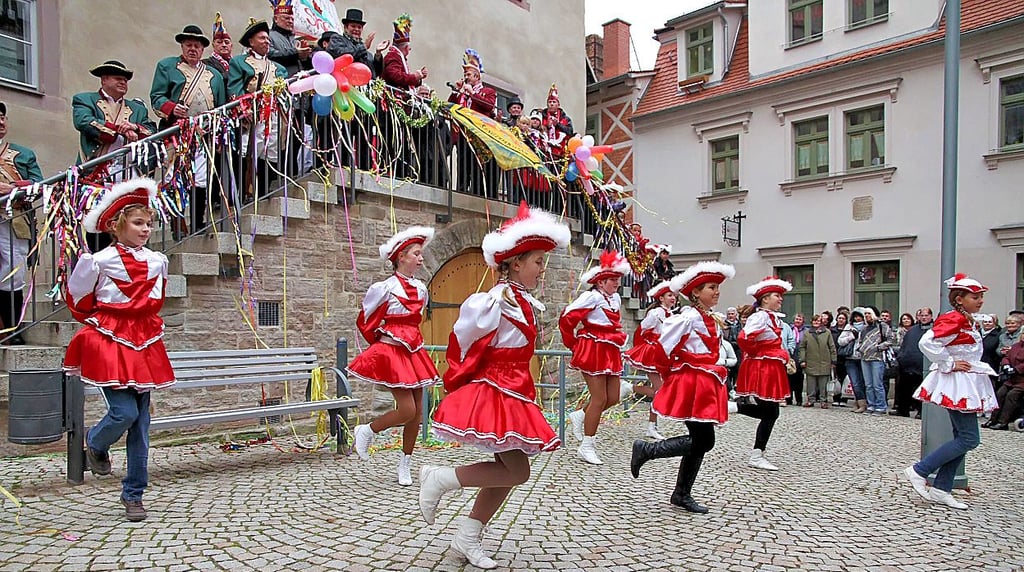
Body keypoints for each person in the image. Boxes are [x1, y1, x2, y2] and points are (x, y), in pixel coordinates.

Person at [420, 202, 570, 569]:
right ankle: (441, 478)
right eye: (538, 261)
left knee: (511, 469)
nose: (542, 269)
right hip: (498, 389)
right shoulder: (495, 301)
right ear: (516, 263)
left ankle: (467, 536)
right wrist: (462, 380)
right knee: (517, 470)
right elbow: (463, 341)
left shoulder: (519, 300)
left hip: (515, 389)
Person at [63, 178, 175, 522]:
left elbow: (156, 299)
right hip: (111, 340)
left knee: (141, 423)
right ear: (116, 225)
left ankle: (134, 493)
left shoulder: (157, 261)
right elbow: (78, 300)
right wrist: (104, 323)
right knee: (124, 413)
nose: (145, 230)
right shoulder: (98, 261)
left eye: (149, 224)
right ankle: (96, 443)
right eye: (138, 223)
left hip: (145, 341)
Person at [630, 261, 735, 513]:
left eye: (717, 287)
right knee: (704, 440)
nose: (717, 291)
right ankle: (648, 450)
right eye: (711, 287)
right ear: (696, 292)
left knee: (702, 439)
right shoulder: (687, 317)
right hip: (692, 382)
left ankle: (681, 493)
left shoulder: (710, 318)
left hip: (706, 381)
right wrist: (672, 376)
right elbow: (663, 349)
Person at [348, 227, 440, 486]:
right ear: (401, 257)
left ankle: (405, 463)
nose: (421, 259)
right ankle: (367, 430)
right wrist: (382, 348)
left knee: (417, 413)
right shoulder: (384, 288)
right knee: (407, 409)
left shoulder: (421, 289)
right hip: (392, 352)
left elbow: (416, 322)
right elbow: (365, 321)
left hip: (414, 352)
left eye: (421, 254)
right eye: (416, 254)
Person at [902, 274, 997, 510]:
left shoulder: (966, 319)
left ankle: (941, 488)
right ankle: (920, 470)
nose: (980, 301)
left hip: (965, 380)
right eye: (975, 297)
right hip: (958, 382)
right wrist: (949, 363)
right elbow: (927, 342)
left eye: (981, 296)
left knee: (962, 437)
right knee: (969, 438)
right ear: (959, 299)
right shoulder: (955, 318)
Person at [72, 60, 157, 252]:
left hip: (129, 170)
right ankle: (99, 258)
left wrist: (135, 127)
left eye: (125, 80)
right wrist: (118, 129)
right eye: (118, 78)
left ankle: (131, 254)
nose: (123, 82)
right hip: (98, 172)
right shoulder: (85, 99)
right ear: (104, 80)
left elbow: (151, 130)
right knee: (99, 216)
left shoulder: (137, 109)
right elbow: (84, 121)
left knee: (132, 217)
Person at [151, 25, 227, 232]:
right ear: (182, 47)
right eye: (188, 45)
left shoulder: (214, 75)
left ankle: (197, 223)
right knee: (173, 177)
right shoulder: (167, 66)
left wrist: (218, 133)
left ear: (203, 50)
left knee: (200, 179)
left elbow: (221, 107)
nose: (192, 49)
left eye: (197, 46)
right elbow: (157, 98)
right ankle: (176, 226)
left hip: (203, 135)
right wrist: (172, 108)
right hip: (176, 134)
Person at [560, 250, 630, 465]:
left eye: (618, 279)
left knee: (613, 397)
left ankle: (581, 414)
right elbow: (567, 318)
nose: (616, 283)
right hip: (593, 349)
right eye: (612, 279)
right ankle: (587, 445)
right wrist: (573, 344)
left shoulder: (615, 298)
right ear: (600, 282)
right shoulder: (591, 297)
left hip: (610, 349)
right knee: (599, 399)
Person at [734, 277, 793, 471]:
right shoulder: (760, 317)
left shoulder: (771, 317)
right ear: (765, 299)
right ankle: (756, 454)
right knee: (771, 412)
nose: (781, 299)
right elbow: (744, 337)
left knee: (771, 412)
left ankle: (757, 453)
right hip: (763, 366)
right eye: (777, 295)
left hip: (769, 365)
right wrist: (758, 351)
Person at [227, 18, 288, 199]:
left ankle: (262, 192)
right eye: (262, 38)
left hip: (272, 116)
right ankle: (240, 195)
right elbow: (235, 89)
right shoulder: (239, 62)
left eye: (268, 39)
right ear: (251, 42)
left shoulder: (278, 68)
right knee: (246, 153)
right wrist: (243, 109)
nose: (267, 41)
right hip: (251, 115)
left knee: (269, 152)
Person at [0, 102, 42, 345]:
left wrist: (12, 188)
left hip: (13, 220)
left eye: (2, 117)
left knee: (13, 272)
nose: (1, 121)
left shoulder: (23, 154)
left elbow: (39, 185)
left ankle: (11, 329)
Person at [623, 280, 675, 440]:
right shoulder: (655, 313)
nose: (673, 298)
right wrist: (648, 344)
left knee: (660, 391)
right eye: (669, 295)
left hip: (663, 354)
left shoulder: (671, 314)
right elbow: (642, 330)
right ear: (661, 298)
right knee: (660, 391)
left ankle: (651, 426)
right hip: (653, 354)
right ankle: (630, 388)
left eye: (673, 295)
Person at [893, 307, 932, 417]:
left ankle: (921, 412)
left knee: (922, 390)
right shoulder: (913, 330)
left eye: (926, 315)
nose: (924, 318)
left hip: (923, 365)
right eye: (922, 315)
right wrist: (901, 357)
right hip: (907, 364)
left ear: (930, 316)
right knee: (904, 389)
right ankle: (902, 410)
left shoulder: (933, 330)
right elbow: (905, 345)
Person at [799, 314, 836, 408]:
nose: (816, 322)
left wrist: (833, 360)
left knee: (823, 384)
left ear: (821, 322)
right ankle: (810, 400)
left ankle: (823, 400)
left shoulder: (827, 332)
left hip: (824, 361)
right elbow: (802, 347)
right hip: (810, 361)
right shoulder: (807, 333)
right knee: (810, 383)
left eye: (818, 321)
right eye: (814, 320)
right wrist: (802, 360)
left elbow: (832, 347)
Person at [988, 336, 1024, 430]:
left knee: (1011, 396)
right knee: (1000, 394)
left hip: (1022, 380)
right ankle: (993, 419)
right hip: (1011, 379)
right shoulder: (1016, 346)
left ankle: (1003, 422)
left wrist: (1016, 369)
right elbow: (1007, 357)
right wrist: (1006, 365)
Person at [837, 308, 868, 413]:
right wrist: (851, 337)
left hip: (863, 358)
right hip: (850, 358)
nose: (857, 318)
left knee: (864, 382)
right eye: (855, 316)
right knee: (855, 382)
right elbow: (840, 341)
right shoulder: (849, 327)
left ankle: (862, 403)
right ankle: (860, 403)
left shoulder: (867, 327)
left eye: (859, 316)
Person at [539, 83, 573, 159]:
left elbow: (570, 132)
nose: (551, 104)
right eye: (549, 102)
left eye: (554, 102)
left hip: (561, 153)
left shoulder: (565, 118)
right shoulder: (541, 116)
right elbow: (536, 130)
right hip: (544, 152)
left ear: (558, 104)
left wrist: (558, 125)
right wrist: (546, 127)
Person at [203, 13, 233, 86]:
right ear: (213, 45)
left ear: (231, 46)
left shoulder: (237, 63)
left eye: (227, 42)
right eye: (219, 42)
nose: (224, 45)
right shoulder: (206, 63)